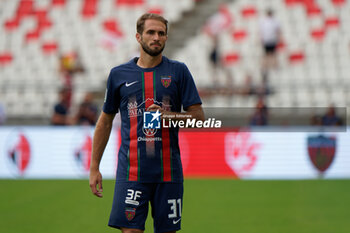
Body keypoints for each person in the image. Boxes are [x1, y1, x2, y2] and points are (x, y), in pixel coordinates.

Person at [89, 13, 204, 233]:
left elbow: (199, 118)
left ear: (166, 38)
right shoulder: (118, 75)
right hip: (131, 173)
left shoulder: (178, 72)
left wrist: (168, 116)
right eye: (151, 32)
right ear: (138, 37)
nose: (156, 37)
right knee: (130, 230)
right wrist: (94, 167)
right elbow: (105, 122)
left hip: (168, 173)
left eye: (161, 33)